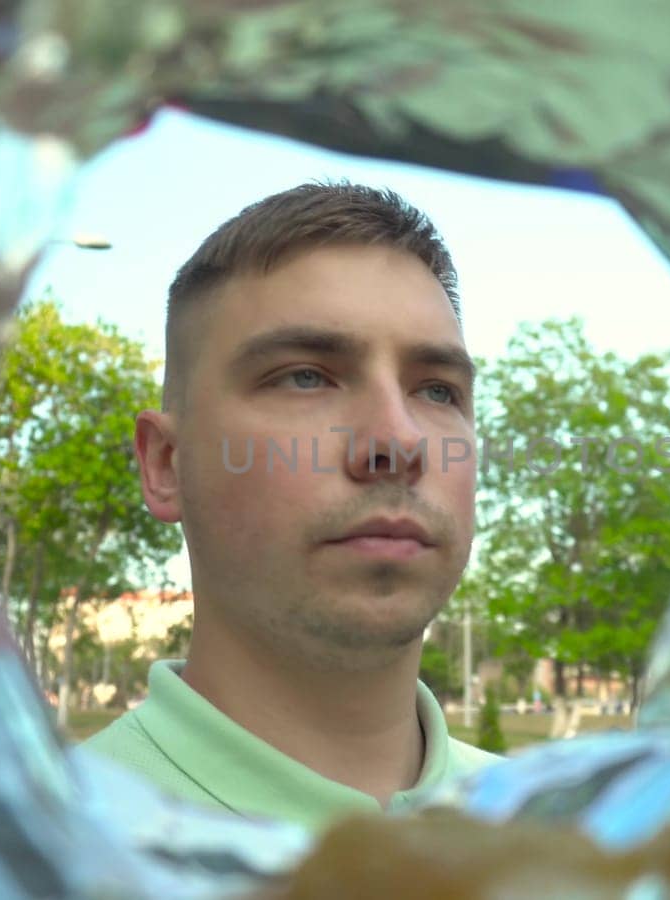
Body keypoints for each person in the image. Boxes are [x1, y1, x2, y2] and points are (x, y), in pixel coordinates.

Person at [83, 182, 500, 831]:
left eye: (438, 391)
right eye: (306, 376)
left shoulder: (595, 851)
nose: (399, 440)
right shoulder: (5, 865)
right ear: (166, 465)